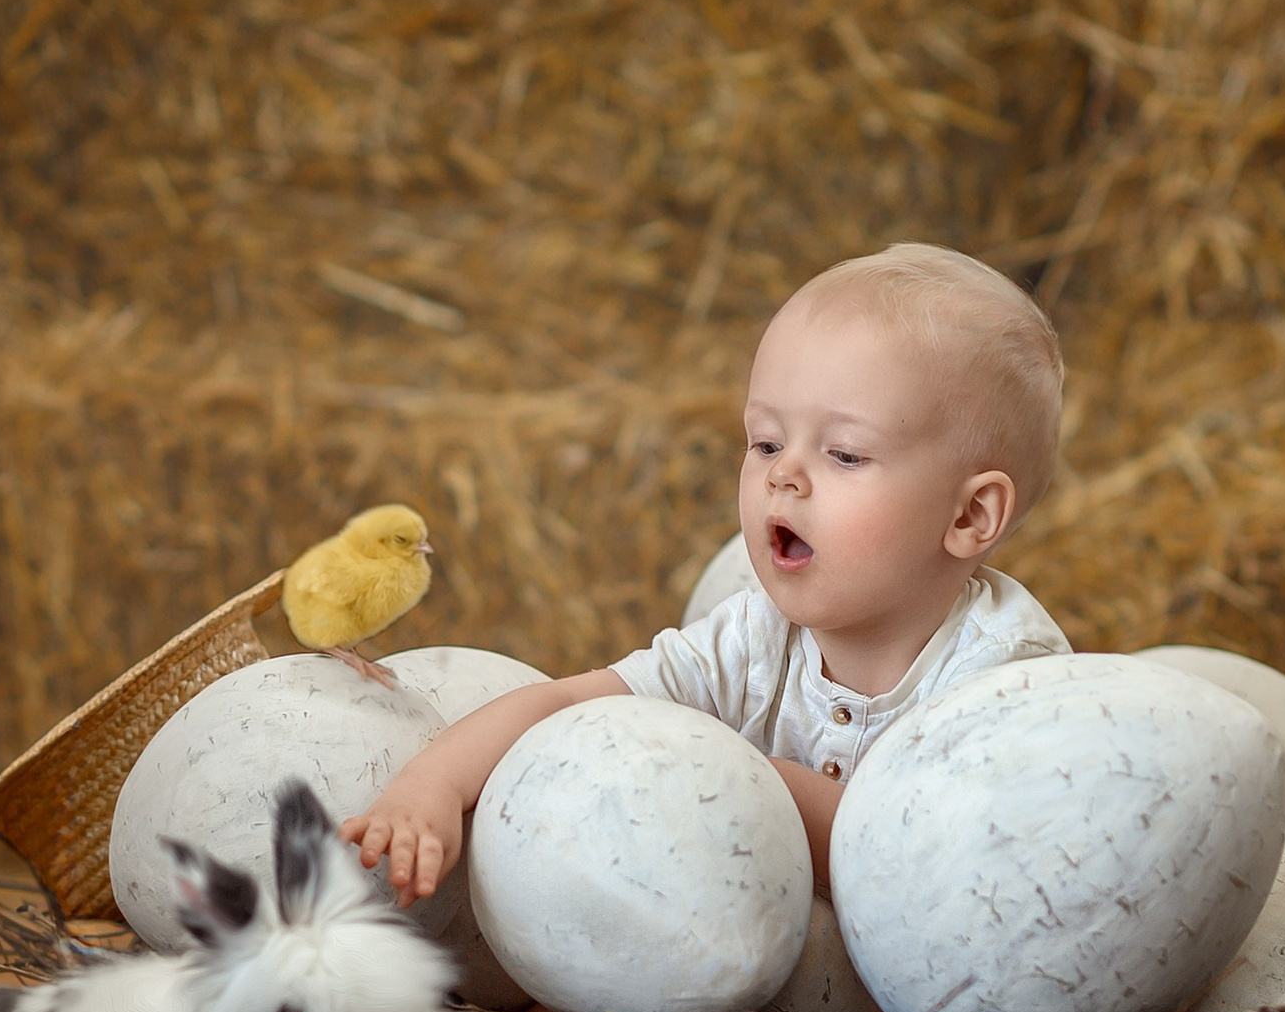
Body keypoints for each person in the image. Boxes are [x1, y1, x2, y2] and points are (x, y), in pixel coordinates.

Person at [343, 241, 1071, 904]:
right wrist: (431, 783)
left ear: (970, 517)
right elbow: (569, 704)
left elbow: (968, 870)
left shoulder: (1008, 679)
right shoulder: (754, 639)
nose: (784, 475)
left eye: (845, 454)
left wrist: (763, 789)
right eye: (764, 441)